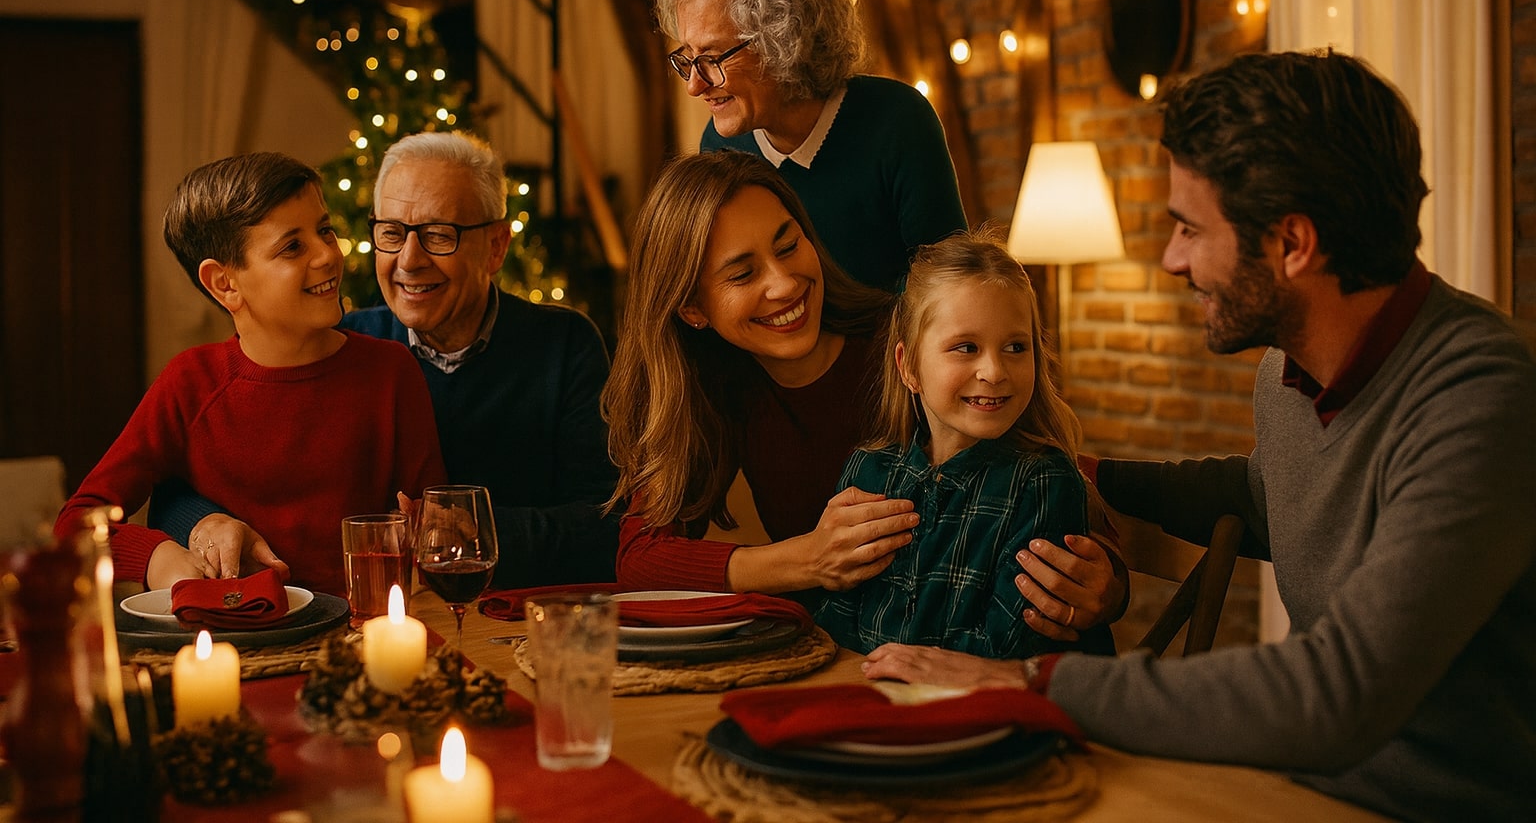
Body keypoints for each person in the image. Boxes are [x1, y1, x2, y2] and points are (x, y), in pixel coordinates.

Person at [861, 50, 1536, 822]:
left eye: (1189, 228)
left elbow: (1340, 690)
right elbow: (1267, 492)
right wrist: (1086, 473)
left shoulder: (1482, 396)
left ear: (1292, 243)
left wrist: (1031, 680)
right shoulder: (1291, 370)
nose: (1171, 258)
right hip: (1298, 783)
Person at [605, 151, 1124, 640]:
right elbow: (641, 558)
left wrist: (1110, 577)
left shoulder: (908, 347)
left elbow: (1042, 469)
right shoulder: (711, 389)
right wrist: (808, 558)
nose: (784, 283)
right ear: (693, 308)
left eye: (789, 246)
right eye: (743, 273)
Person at [157, 132, 621, 588]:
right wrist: (204, 522)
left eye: (440, 235)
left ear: (497, 246)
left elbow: (606, 524)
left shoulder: (564, 344)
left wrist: (471, 533)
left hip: (519, 611)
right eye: (392, 234)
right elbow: (184, 483)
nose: (409, 260)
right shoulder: (338, 345)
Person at [54, 152, 446, 596]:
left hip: (366, 633)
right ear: (225, 284)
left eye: (325, 230)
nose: (328, 255)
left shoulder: (392, 372)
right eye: (292, 246)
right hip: (237, 642)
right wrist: (156, 556)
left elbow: (432, 525)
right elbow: (74, 525)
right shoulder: (191, 383)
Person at [812, 229, 1114, 659]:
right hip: (870, 699)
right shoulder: (868, 471)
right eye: (966, 347)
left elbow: (1009, 642)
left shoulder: (1043, 482)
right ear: (909, 366)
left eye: (1015, 346)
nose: (994, 370)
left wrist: (894, 667)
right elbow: (835, 615)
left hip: (985, 714)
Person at [654, 0, 968, 292]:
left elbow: (949, 288)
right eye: (687, 58)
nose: (694, 86)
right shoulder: (721, 149)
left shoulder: (897, 120)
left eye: (714, 57)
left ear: (783, 39)